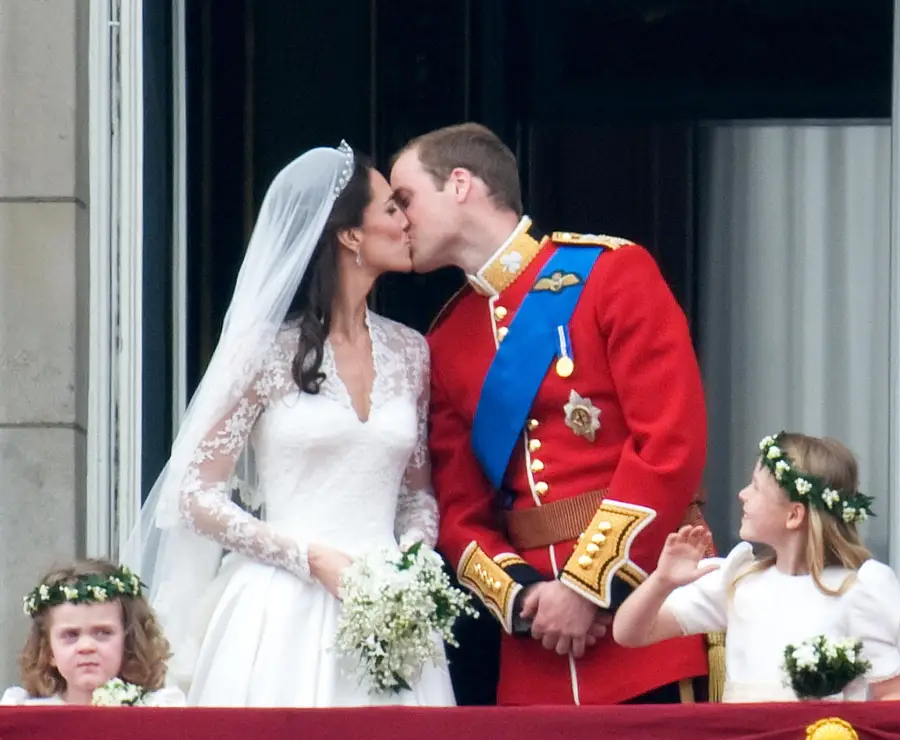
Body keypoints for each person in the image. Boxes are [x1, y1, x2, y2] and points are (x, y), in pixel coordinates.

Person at [390, 122, 710, 705]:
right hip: (535, 652)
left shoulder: (612, 273)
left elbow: (670, 445)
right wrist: (525, 595)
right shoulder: (446, 338)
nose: (397, 219)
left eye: (405, 198)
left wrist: (587, 586)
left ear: (460, 184)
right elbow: (459, 510)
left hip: (646, 619)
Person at [125, 142, 455, 707]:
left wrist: (408, 566)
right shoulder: (263, 352)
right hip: (280, 608)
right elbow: (194, 494)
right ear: (350, 234)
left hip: (391, 618)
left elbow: (417, 497)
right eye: (391, 209)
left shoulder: (411, 352)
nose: (407, 222)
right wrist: (309, 557)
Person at [613, 432, 900, 702]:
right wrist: (662, 581)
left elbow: (890, 695)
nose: (742, 494)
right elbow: (630, 633)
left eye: (756, 487)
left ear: (794, 515)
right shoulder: (738, 579)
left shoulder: (859, 589)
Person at [1, 560, 184, 706]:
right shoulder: (24, 713)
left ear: (128, 640)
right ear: (48, 650)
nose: (86, 647)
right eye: (71, 635)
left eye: (102, 632)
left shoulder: (157, 709)